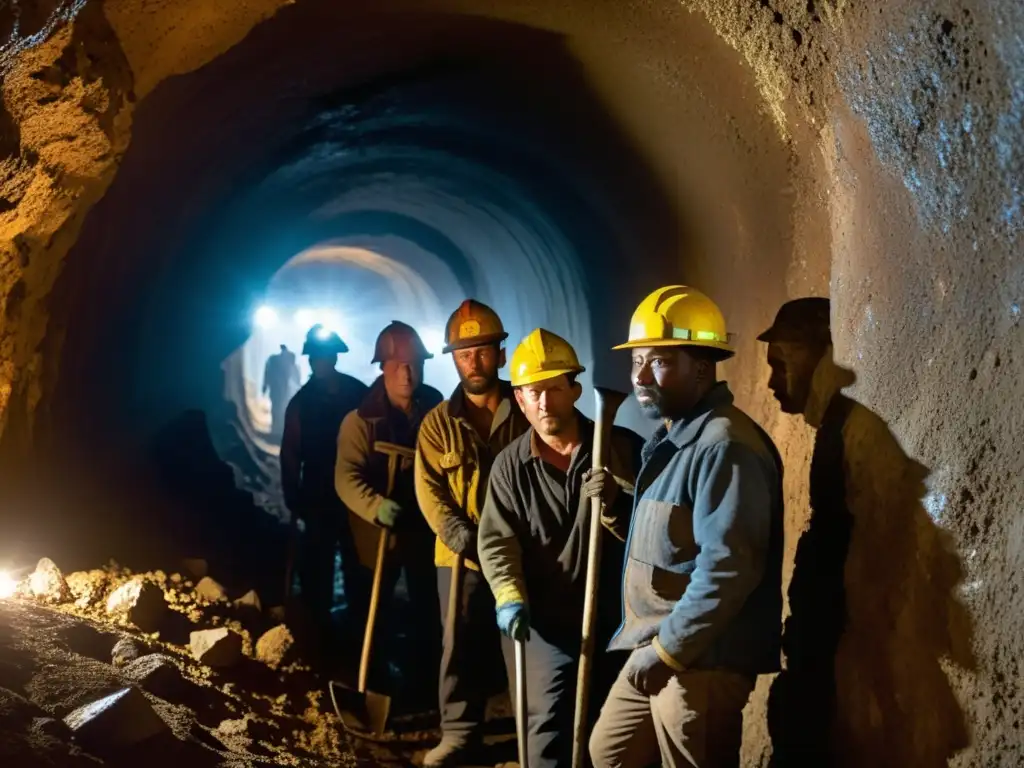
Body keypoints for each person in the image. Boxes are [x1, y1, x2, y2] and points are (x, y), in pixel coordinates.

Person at [589, 285, 784, 768]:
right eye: (636, 361)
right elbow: (671, 542)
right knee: (609, 754)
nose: (640, 376)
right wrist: (618, 505)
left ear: (701, 367)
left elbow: (728, 568)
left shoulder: (724, 446)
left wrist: (669, 651)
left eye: (658, 361)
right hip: (655, 645)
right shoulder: (672, 440)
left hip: (701, 659)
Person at [478, 328, 643, 768]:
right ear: (520, 399)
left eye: (555, 389)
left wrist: (614, 504)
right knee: (545, 731)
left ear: (574, 390)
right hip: (543, 624)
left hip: (618, 621)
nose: (546, 403)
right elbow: (497, 541)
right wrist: (509, 596)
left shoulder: (622, 450)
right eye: (535, 393)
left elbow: (658, 538)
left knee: (615, 737)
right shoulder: (510, 467)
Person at [414, 300, 531, 767]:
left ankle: (533, 732)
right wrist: (465, 538)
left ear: (500, 355)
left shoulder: (528, 408)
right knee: (458, 644)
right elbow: (431, 494)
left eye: (482, 351)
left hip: (523, 553)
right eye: (464, 354)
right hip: (459, 557)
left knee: (524, 642)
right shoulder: (438, 424)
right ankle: (461, 733)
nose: (474, 362)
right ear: (454, 359)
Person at [335, 320, 444, 705]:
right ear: (382, 368)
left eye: (413, 364)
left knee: (427, 607)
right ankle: (372, 682)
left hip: (422, 527)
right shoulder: (360, 420)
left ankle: (425, 684)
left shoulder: (437, 409)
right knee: (371, 609)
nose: (407, 373)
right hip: (375, 531)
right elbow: (346, 476)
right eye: (398, 365)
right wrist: (376, 506)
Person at [280, 325, 368, 669]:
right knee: (317, 569)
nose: (320, 362)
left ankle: (359, 636)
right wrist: (292, 494)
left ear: (333, 357)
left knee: (358, 565)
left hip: (356, 495)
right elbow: (291, 452)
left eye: (324, 356)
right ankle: (320, 637)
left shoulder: (357, 395)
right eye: (316, 357)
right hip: (318, 496)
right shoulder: (302, 403)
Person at [263, 343, 301, 438]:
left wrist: (265, 386)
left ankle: (278, 427)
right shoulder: (280, 361)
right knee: (278, 406)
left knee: (279, 406)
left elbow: (267, 374)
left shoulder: (274, 360)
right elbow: (268, 374)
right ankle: (277, 428)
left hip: (279, 387)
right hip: (278, 387)